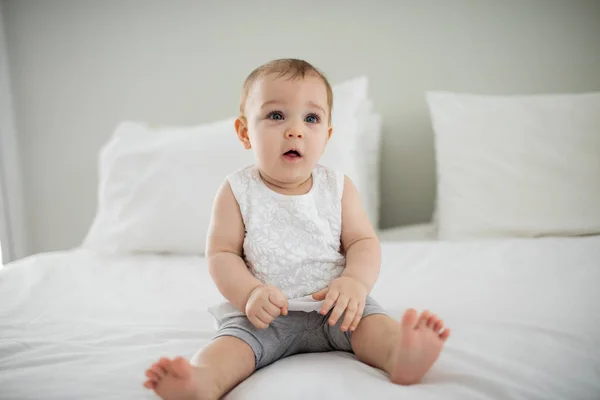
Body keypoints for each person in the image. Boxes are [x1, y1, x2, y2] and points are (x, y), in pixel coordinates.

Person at [143, 58, 450, 400]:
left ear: (327, 136)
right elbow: (222, 254)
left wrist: (355, 282)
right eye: (276, 115)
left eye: (311, 118)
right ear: (245, 132)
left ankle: (401, 355)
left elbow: (363, 241)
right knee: (230, 347)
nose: (295, 130)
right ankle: (201, 381)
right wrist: (249, 294)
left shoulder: (338, 187)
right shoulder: (236, 190)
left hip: (336, 304)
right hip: (265, 314)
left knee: (374, 327)